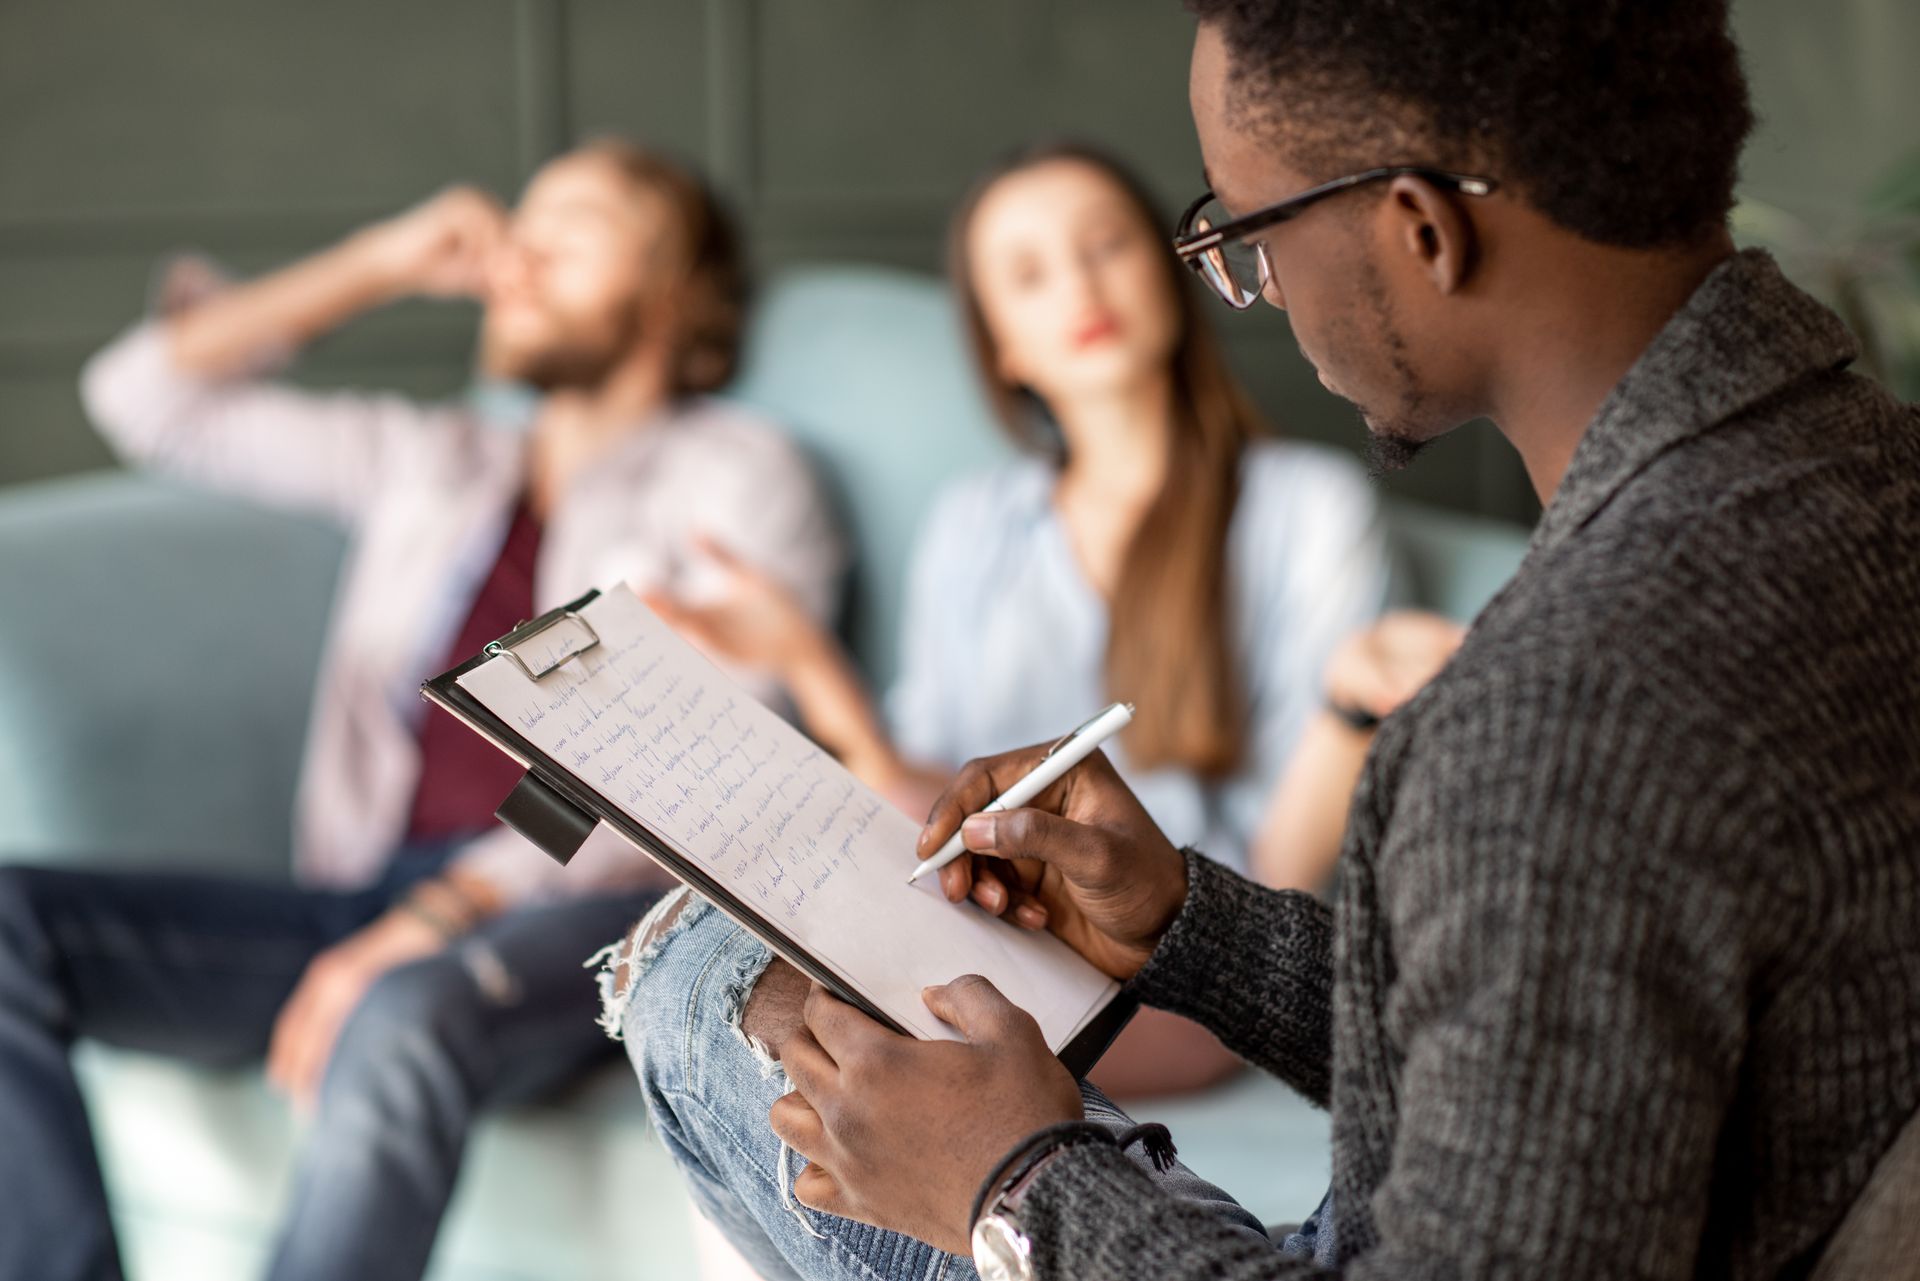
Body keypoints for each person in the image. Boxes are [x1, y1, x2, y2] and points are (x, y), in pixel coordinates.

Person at [609, 1, 1920, 1278]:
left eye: (1248, 231)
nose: (1251, 288)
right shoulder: (1865, 480)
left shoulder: (1558, 712)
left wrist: (1017, 1188)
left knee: (714, 977)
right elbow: (1564, 1069)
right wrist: (1195, 925)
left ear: (1422, 233)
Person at [0, 140, 842, 1281]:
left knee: (403, 1014)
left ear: (674, 289)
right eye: (519, 229)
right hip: (366, 893)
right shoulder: (432, 460)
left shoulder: (737, 476)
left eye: (574, 227)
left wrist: (442, 913)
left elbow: (667, 773)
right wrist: (382, 260)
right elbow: (143, 397)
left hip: (590, 921)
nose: (520, 256)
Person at [644, 141, 1390, 1098]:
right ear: (1001, 341)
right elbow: (925, 810)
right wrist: (806, 660)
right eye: (1031, 274)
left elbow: (1286, 879)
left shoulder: (1309, 512)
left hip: (1184, 974)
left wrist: (1354, 709)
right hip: (1001, 939)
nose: (1081, 286)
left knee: (834, 1073)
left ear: (1176, 271)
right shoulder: (973, 523)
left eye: (1106, 245)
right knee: (745, 1016)